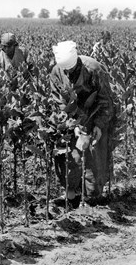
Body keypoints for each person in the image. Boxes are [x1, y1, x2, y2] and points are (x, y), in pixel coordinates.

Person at [50, 41, 119, 206]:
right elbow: (58, 102)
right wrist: (71, 124)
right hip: (71, 117)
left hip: (96, 114)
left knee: (94, 155)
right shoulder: (56, 71)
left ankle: (92, 197)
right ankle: (71, 195)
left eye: (71, 69)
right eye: (65, 70)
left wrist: (99, 125)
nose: (68, 72)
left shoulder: (94, 68)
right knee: (67, 155)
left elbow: (106, 101)